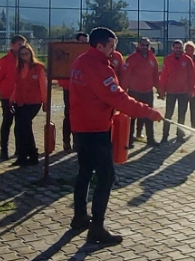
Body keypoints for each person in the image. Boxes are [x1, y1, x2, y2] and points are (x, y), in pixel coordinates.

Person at [69, 27, 163, 244]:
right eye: (111, 46)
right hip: (96, 129)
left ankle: (80, 217)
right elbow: (119, 98)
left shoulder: (80, 62)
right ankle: (97, 228)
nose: (114, 50)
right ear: (100, 45)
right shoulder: (100, 69)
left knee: (84, 172)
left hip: (80, 126)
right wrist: (148, 112)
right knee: (106, 176)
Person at [10, 44, 47, 167]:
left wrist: (45, 102)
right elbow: (16, 86)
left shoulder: (38, 68)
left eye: (27, 53)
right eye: (22, 54)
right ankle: (25, 155)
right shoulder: (18, 69)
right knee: (21, 128)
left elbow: (43, 86)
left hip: (34, 102)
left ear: (31, 53)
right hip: (20, 101)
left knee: (24, 125)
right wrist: (12, 99)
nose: (25, 56)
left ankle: (31, 155)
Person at [121, 37, 160, 147]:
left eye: (147, 45)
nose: (145, 47)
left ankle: (150, 139)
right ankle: (129, 140)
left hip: (148, 92)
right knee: (132, 117)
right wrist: (123, 92)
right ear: (138, 45)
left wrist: (159, 90)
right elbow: (126, 77)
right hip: (134, 92)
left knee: (149, 116)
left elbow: (156, 76)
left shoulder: (152, 59)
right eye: (142, 45)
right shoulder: (132, 59)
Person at [0, 34, 27, 160]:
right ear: (12, 46)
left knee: (21, 124)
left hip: (23, 97)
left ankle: (19, 150)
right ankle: (4, 150)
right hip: (7, 97)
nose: (22, 47)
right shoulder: (4, 61)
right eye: (19, 45)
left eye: (23, 44)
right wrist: (3, 91)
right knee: (7, 122)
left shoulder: (26, 60)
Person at [158, 40, 194, 143]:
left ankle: (179, 135)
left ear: (182, 48)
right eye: (176, 48)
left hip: (183, 91)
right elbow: (164, 76)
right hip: (171, 91)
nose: (178, 50)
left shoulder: (187, 60)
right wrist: (162, 90)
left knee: (181, 115)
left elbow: (191, 76)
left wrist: (191, 90)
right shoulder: (168, 59)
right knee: (168, 114)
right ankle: (165, 136)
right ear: (173, 48)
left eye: (180, 48)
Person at [59, 32, 89, 152]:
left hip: (85, 91)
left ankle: (79, 142)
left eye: (86, 42)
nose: (84, 45)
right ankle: (66, 141)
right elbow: (60, 72)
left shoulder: (89, 56)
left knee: (83, 116)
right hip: (70, 90)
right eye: (81, 42)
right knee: (69, 115)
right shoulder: (68, 55)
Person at [185, 41, 195, 128]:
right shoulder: (183, 59)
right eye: (188, 49)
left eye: (191, 49)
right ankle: (181, 129)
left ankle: (193, 126)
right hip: (184, 88)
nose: (190, 51)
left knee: (193, 108)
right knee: (183, 109)